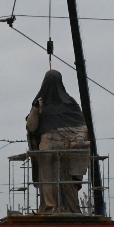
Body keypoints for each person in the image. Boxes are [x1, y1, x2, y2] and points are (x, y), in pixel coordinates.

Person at [25, 69, 90, 213]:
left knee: (67, 181)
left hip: (66, 147)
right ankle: (50, 208)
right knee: (48, 180)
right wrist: (35, 110)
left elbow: (82, 127)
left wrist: (79, 137)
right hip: (47, 146)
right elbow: (31, 127)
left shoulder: (70, 104)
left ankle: (70, 208)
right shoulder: (40, 105)